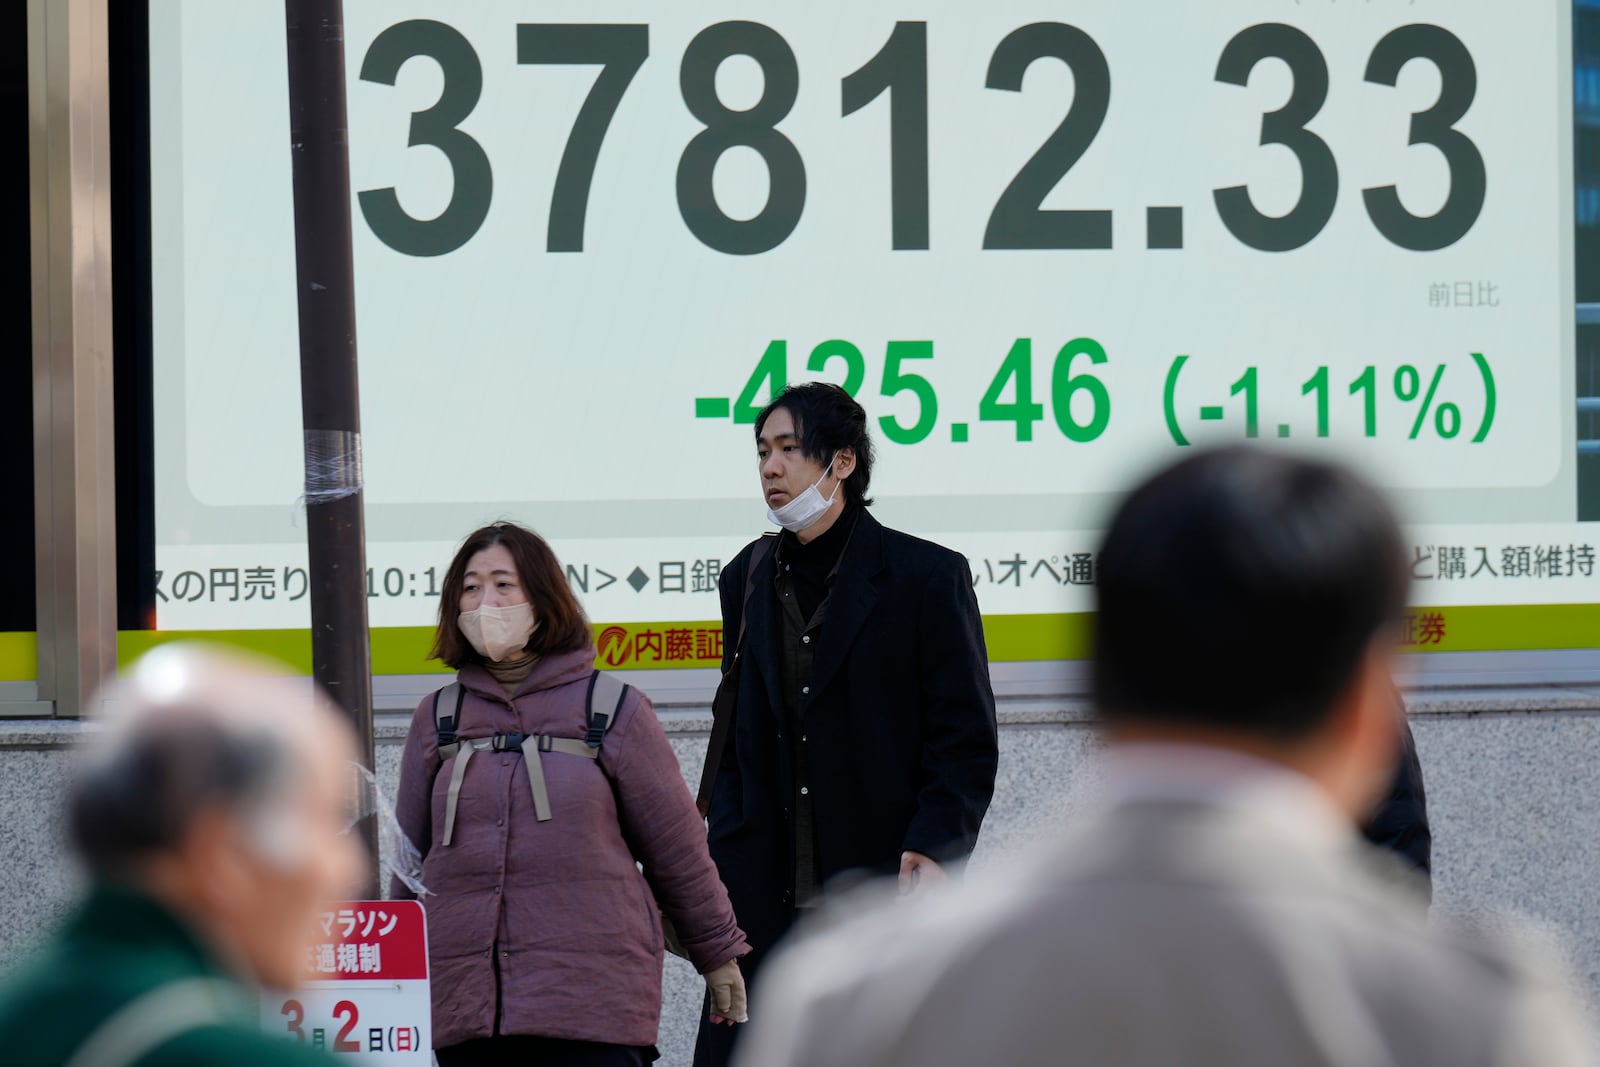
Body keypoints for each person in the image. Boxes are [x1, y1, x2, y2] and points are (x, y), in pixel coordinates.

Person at [734, 447, 1596, 1067]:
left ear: (1101, 675)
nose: (770, 464)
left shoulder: (855, 995)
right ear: (1370, 704)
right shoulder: (1475, 1015)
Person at [696, 383, 999, 1066]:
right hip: (760, 895)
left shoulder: (926, 576)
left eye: (789, 450)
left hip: (878, 883)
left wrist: (935, 841)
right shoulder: (744, 576)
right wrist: (723, 853)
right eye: (763, 451)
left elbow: (964, 737)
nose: (770, 467)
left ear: (841, 462)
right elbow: (740, 731)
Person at [392, 523, 750, 1066]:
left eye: (504, 585)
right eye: (470, 587)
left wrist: (718, 954)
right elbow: (408, 865)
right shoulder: (438, 717)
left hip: (592, 1008)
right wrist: (389, 974)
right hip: (469, 1012)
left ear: (542, 597)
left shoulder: (610, 709)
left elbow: (677, 850)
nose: (485, 601)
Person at [0, 644, 367, 1066]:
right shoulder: (242, 1056)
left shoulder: (20, 1009)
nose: (349, 869)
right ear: (222, 852)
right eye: (325, 821)